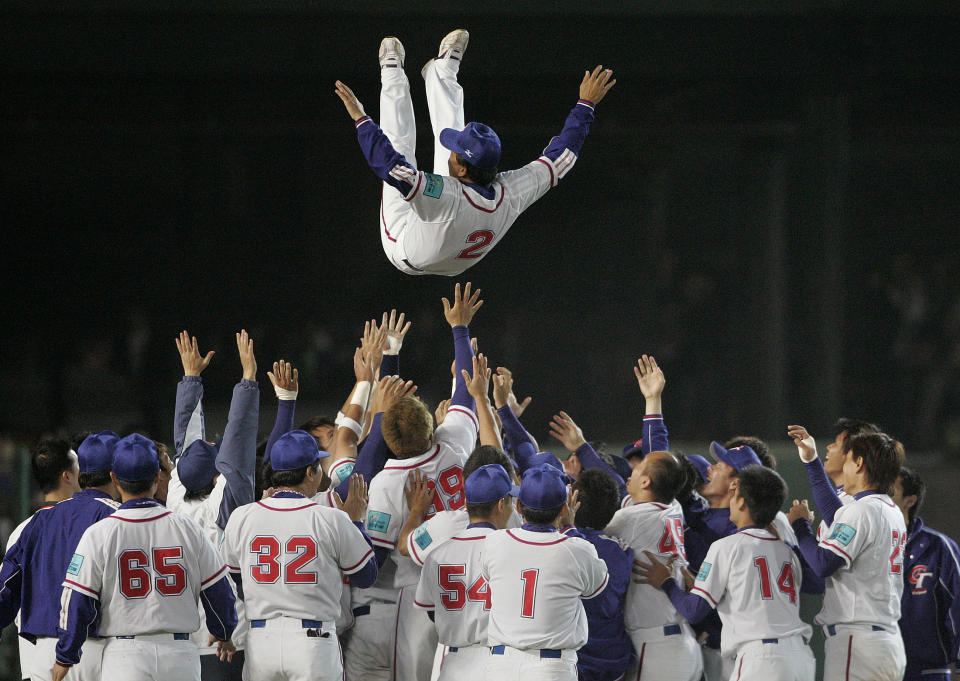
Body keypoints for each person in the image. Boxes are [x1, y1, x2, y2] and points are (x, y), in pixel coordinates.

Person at [334, 30, 616, 275]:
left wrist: (361, 118)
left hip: (405, 248)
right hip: (455, 252)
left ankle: (392, 74)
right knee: (412, 168)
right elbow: (560, 160)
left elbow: (390, 165)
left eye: (456, 154)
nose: (451, 152)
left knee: (399, 155)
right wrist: (586, 104)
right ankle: (442, 73)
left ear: (461, 170)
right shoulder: (510, 192)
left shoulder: (444, 194)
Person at [363, 282, 482, 681]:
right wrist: (460, 328)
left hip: (414, 597)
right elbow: (466, 392)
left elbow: (374, 561)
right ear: (431, 428)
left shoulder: (383, 484)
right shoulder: (451, 446)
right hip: (471, 588)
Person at [52, 433, 238, 681]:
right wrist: (223, 631)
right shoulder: (187, 528)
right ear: (158, 476)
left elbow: (77, 600)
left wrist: (66, 656)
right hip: (179, 654)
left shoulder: (99, 533)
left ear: (114, 478)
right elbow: (219, 590)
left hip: (125, 654)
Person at [221, 430, 378, 681]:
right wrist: (356, 521)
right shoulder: (330, 517)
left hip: (261, 641)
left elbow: (237, 583)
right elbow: (366, 576)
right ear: (309, 472)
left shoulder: (242, 515)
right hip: (312, 644)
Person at [635, 465, 815, 681]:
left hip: (761, 659)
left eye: (734, 494)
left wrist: (666, 582)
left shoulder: (727, 546)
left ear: (741, 502)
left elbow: (694, 611)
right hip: (801, 658)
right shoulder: (787, 549)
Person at [169, 330, 259, 680]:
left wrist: (191, 379)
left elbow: (185, 445)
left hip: (184, 640)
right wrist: (247, 382)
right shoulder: (223, 504)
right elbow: (237, 446)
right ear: (214, 477)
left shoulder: (175, 498)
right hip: (226, 636)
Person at [787, 429, 907, 681]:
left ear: (860, 463)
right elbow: (836, 513)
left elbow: (823, 564)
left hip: (858, 640)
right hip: (885, 641)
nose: (845, 466)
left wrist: (800, 526)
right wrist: (811, 461)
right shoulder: (890, 509)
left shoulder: (862, 510)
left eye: (849, 458)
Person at [0, 431, 121, 681]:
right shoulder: (116, 517)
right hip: (95, 646)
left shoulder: (35, 522)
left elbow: (7, 585)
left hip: (40, 651)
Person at [481, 465, 609, 681]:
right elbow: (596, 590)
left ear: (519, 506)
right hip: (551, 668)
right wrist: (570, 527)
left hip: (500, 665)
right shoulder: (578, 549)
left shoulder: (495, 542)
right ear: (563, 509)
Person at [413, 464, 519, 680]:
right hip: (498, 663)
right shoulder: (514, 550)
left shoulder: (437, 554)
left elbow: (432, 612)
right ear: (501, 504)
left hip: (453, 664)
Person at [603, 451, 702, 681]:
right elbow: (667, 479)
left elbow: (589, 537)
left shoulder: (628, 519)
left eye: (638, 468)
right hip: (682, 641)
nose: (632, 470)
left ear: (647, 482)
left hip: (656, 646)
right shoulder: (674, 508)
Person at [3, 438, 81, 681]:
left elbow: (5, 594)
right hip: (81, 651)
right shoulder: (91, 525)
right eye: (78, 467)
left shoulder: (21, 531)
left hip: (35, 654)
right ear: (66, 476)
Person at [560, 468, 635, 681]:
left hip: (578, 659)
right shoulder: (623, 550)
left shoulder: (563, 545)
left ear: (573, 503)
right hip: (613, 658)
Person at [891, 466, 960, 681]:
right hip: (878, 663)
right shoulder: (870, 545)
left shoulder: (938, 547)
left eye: (890, 492)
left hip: (928, 671)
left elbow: (957, 606)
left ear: (909, 501)